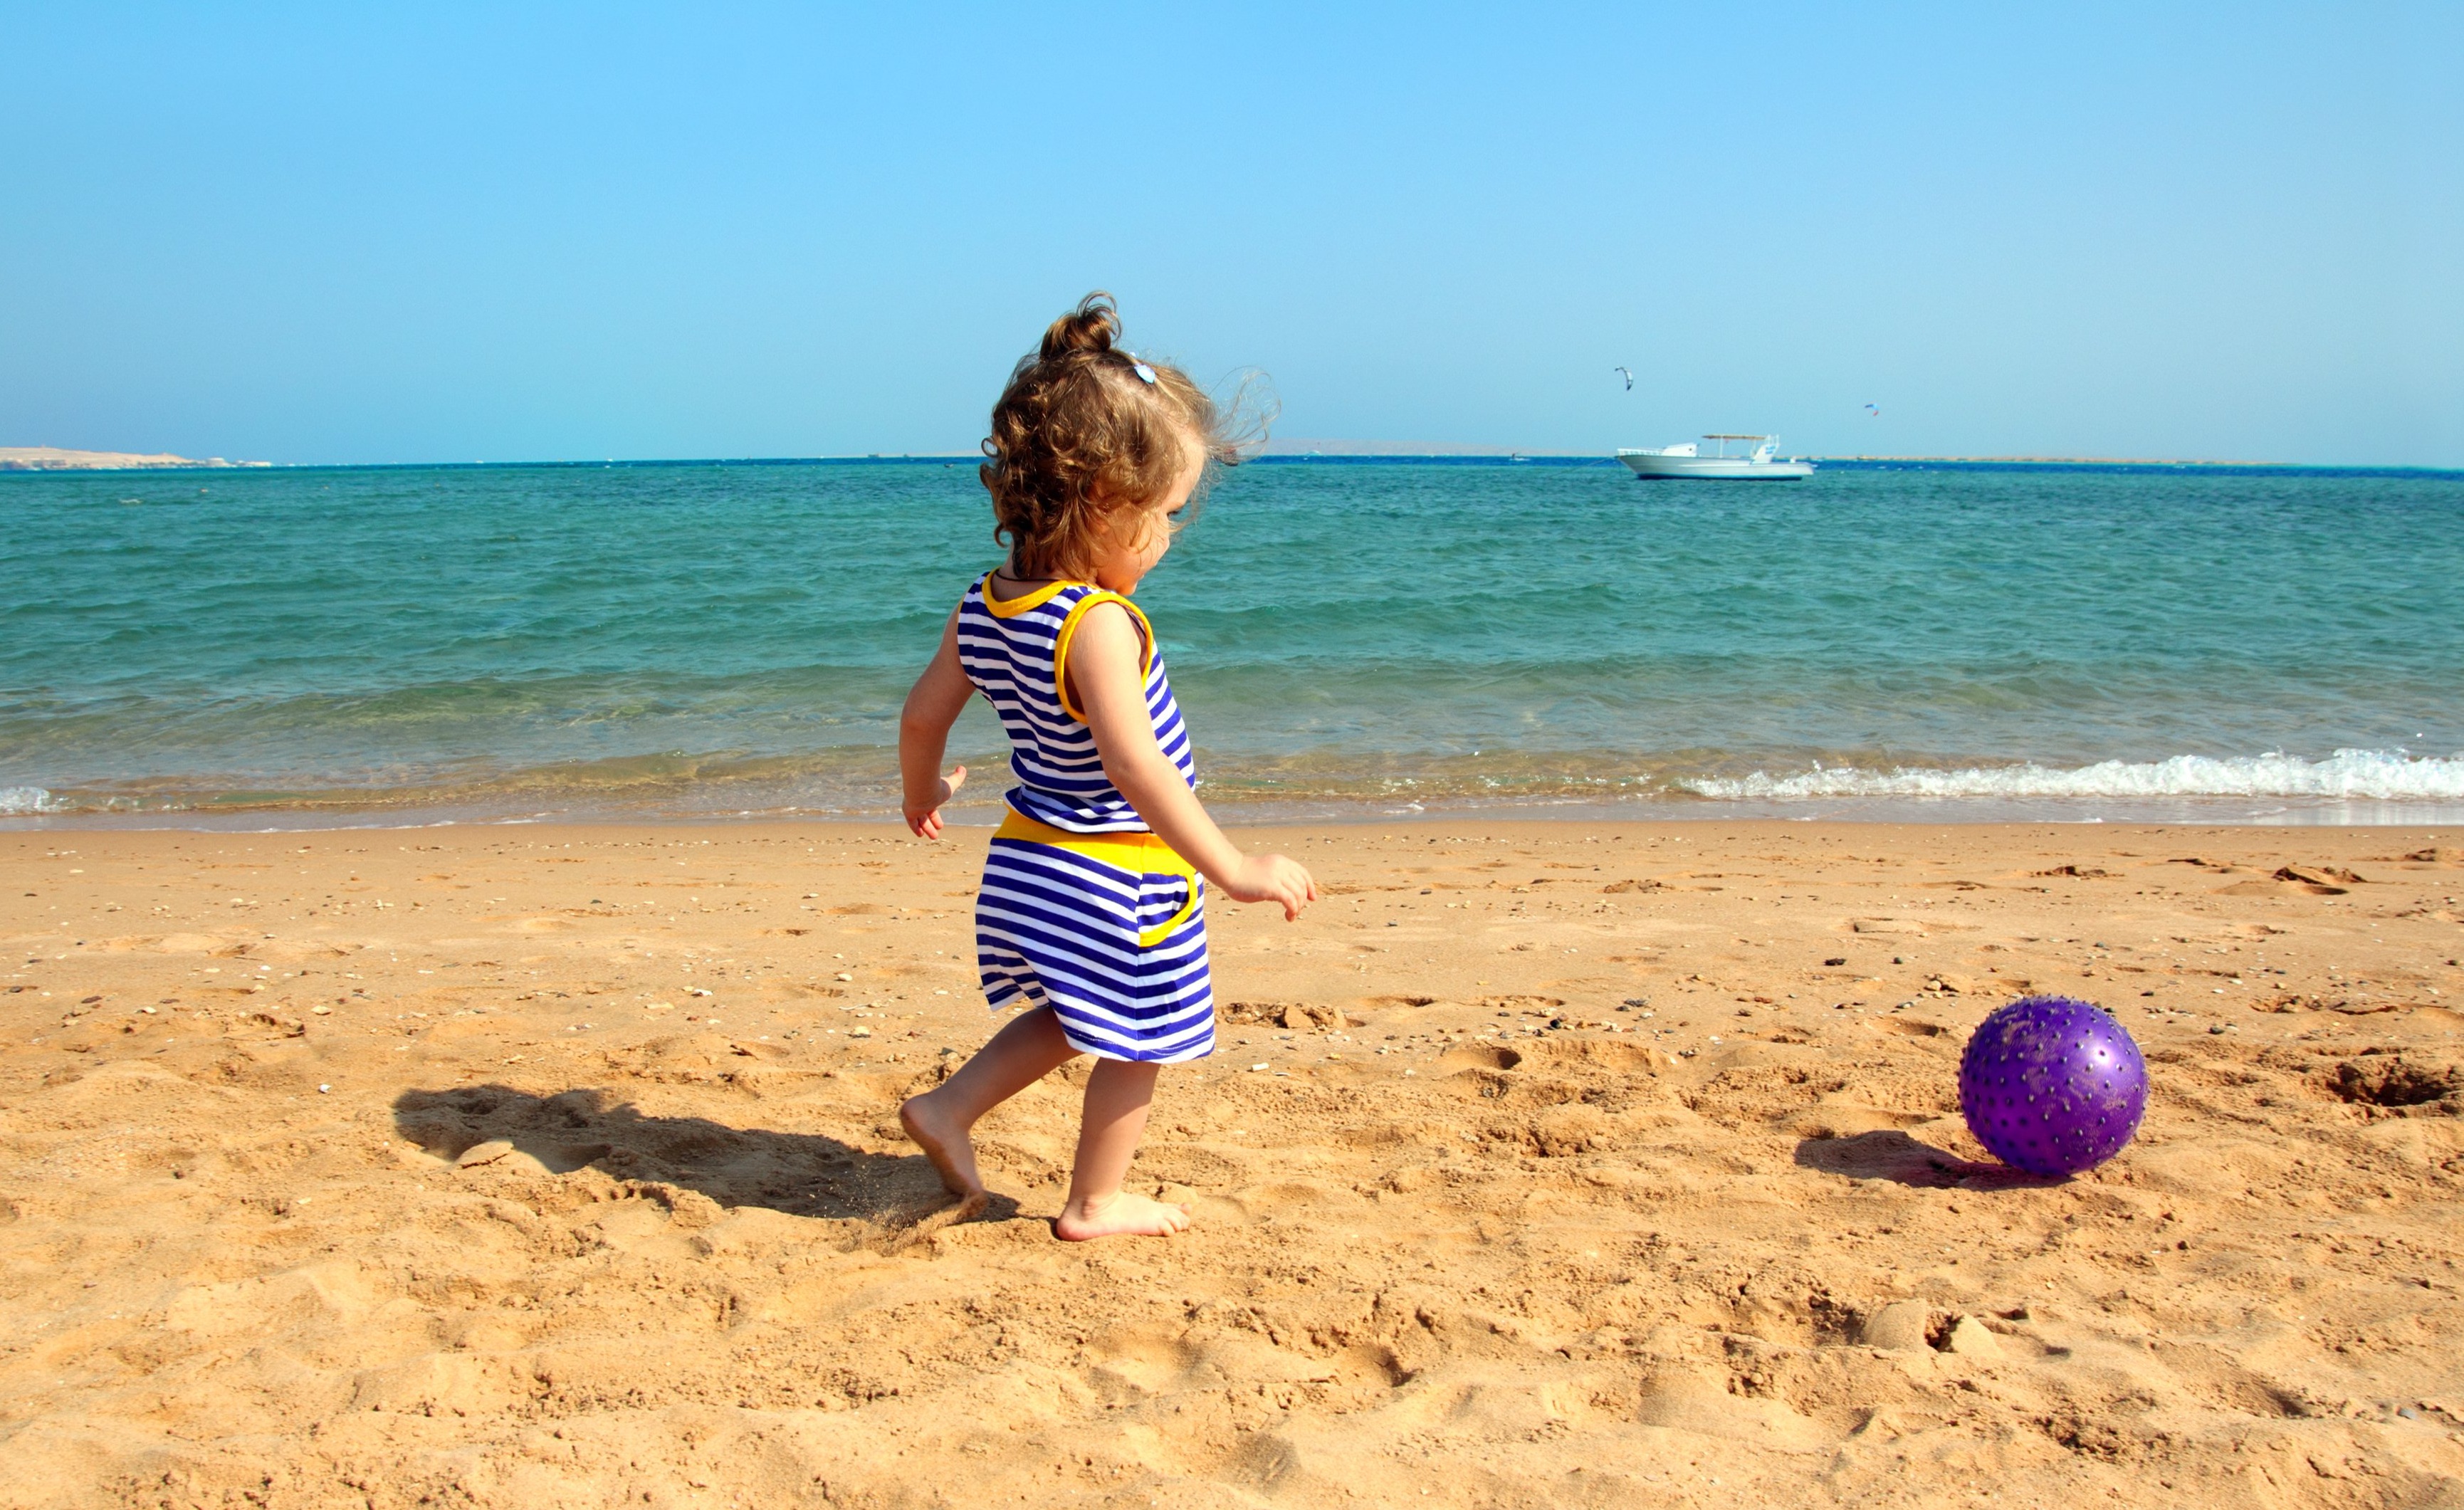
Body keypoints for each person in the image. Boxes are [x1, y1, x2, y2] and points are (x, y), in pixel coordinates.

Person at [895, 292, 1318, 1240]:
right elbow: (1134, 763)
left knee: (1070, 1013)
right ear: (1099, 501)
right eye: (1164, 513)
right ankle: (1095, 1199)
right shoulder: (1096, 625)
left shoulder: (986, 607)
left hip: (1029, 862)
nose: (1169, 536)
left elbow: (922, 717)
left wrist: (923, 794)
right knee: (1141, 1040)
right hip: (1118, 875)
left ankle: (949, 1107)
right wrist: (1233, 867)